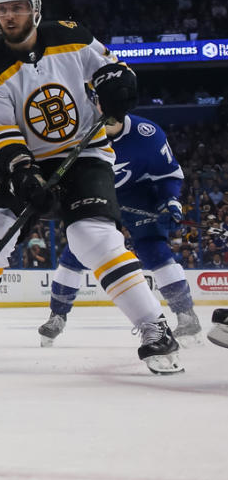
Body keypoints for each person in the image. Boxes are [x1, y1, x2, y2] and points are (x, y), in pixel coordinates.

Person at [0, 0, 181, 374]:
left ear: (35, 9)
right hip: (27, 162)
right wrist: (23, 172)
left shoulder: (72, 36)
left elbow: (113, 69)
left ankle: (154, 327)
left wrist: (120, 83)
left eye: (18, 7)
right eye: (2, 9)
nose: (10, 15)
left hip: (85, 152)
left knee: (91, 235)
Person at [37, 114, 201, 344]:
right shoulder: (77, 131)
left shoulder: (147, 134)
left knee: (153, 250)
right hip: (94, 191)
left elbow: (168, 174)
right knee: (77, 250)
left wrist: (170, 202)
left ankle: (186, 314)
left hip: (138, 194)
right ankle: (57, 315)